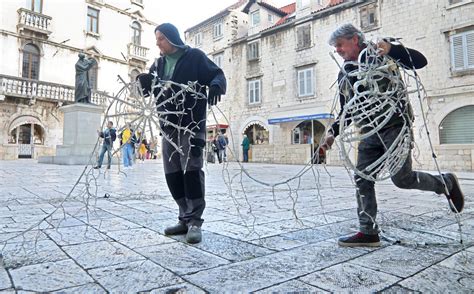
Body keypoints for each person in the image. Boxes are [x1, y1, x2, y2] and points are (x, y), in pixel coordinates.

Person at [320, 24, 465, 247]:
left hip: (395, 126)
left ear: (354, 40)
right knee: (362, 178)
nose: (337, 50)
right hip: (368, 131)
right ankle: (368, 231)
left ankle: (445, 183)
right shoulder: (346, 72)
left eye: (339, 45)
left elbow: (419, 62)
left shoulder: (382, 52)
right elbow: (346, 109)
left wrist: (392, 49)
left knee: (402, 179)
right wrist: (332, 134)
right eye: (335, 47)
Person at [137, 23, 226, 243]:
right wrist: (143, 81)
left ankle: (195, 221)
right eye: (156, 38)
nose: (157, 42)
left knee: (192, 169)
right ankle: (184, 217)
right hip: (168, 126)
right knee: (173, 172)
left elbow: (217, 74)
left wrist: (216, 85)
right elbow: (146, 92)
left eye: (160, 38)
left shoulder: (194, 57)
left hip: (191, 124)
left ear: (172, 38)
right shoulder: (157, 65)